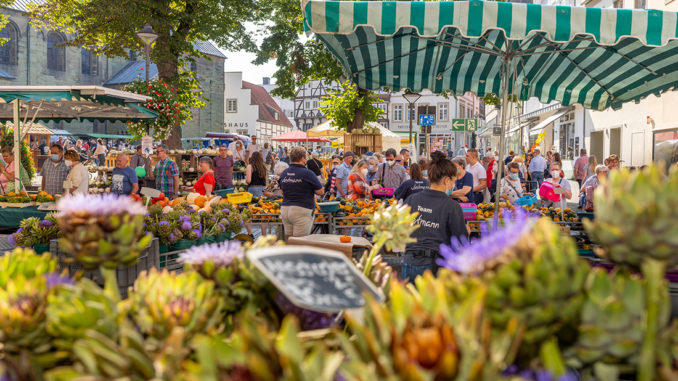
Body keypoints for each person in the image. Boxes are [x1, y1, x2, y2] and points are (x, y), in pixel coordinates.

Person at [402, 151, 468, 280]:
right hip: (434, 267)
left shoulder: (411, 199)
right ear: (446, 180)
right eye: (453, 181)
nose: (452, 186)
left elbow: (400, 228)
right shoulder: (452, 206)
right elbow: (461, 241)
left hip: (408, 262)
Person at [279, 147, 324, 238]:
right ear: (303, 158)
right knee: (300, 241)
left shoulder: (284, 173)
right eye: (306, 157)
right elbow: (320, 191)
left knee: (290, 239)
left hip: (285, 209)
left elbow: (281, 191)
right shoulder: (308, 173)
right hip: (302, 209)